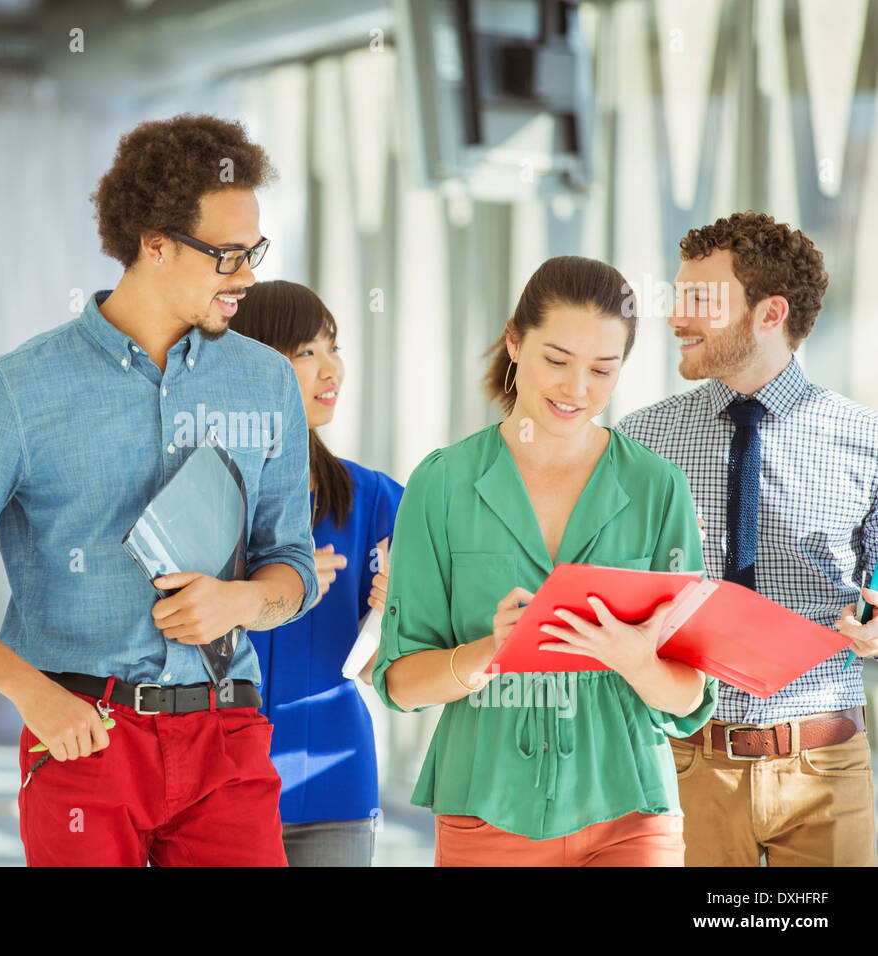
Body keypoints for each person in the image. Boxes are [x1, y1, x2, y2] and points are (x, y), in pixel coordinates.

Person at [0, 115, 319, 867]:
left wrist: (240, 601)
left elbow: (294, 567)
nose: (247, 275)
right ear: (154, 243)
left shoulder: (267, 380)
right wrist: (30, 694)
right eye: (227, 255)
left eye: (254, 252)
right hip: (83, 735)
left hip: (229, 738)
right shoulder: (22, 389)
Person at [373, 255, 718, 867]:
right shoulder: (443, 482)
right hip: (487, 808)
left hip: (631, 810)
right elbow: (400, 682)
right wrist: (487, 654)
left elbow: (690, 698)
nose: (576, 389)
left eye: (602, 370)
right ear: (514, 341)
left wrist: (637, 662)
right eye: (556, 360)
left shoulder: (656, 485)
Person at [616, 211, 878, 866]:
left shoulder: (864, 442)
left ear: (770, 314)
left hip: (825, 766)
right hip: (680, 762)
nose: (676, 317)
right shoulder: (640, 441)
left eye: (699, 299)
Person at [231, 280, 404, 866]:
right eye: (306, 352)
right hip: (216, 784)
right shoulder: (201, 492)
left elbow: (398, 660)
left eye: (334, 348)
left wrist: (395, 613)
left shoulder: (373, 498)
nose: (332, 370)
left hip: (335, 781)